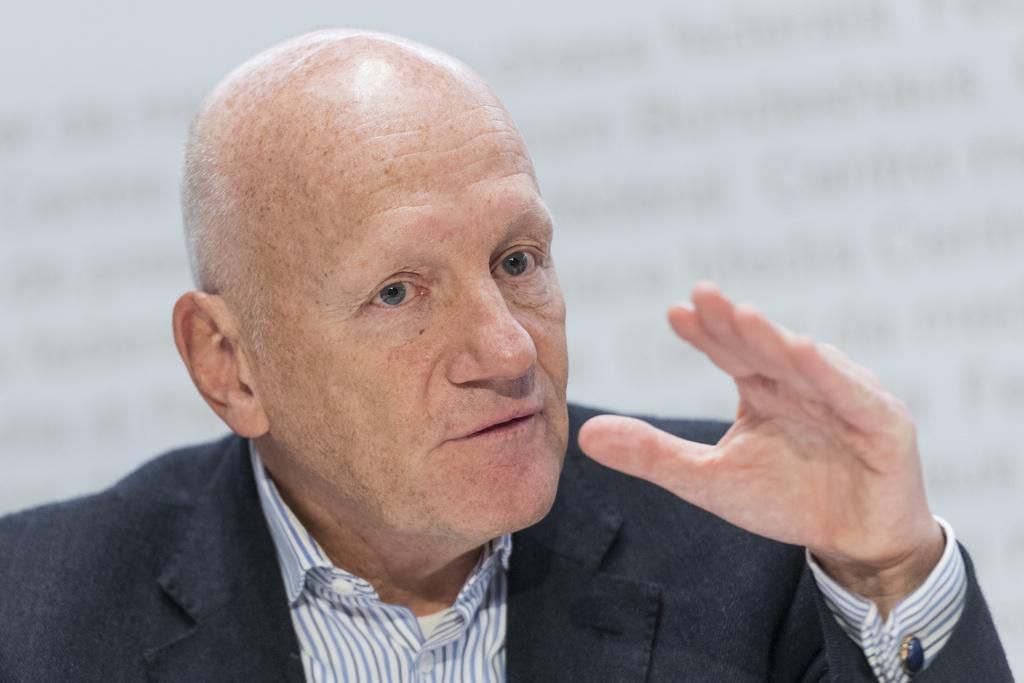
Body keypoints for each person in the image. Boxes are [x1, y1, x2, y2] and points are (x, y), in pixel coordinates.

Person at [0, 29, 1012, 682]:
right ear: (228, 363)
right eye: (398, 291)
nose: (507, 345)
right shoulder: (33, 612)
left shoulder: (754, 547)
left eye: (517, 259)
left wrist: (888, 571)